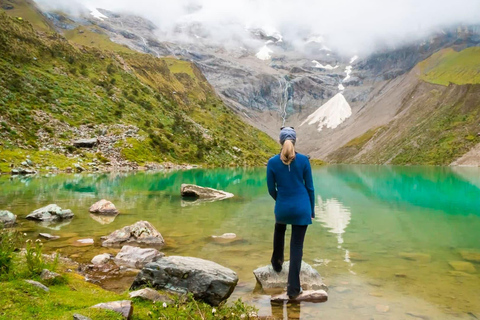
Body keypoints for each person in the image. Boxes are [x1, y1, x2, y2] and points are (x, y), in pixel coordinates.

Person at [266, 126, 315, 299]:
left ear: (280, 141)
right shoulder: (303, 161)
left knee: (279, 229)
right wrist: (312, 210)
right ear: (295, 141)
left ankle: (277, 262)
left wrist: (281, 200)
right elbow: (310, 188)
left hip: (283, 207)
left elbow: (271, 189)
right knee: (296, 247)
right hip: (302, 208)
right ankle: (293, 289)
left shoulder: (272, 162)